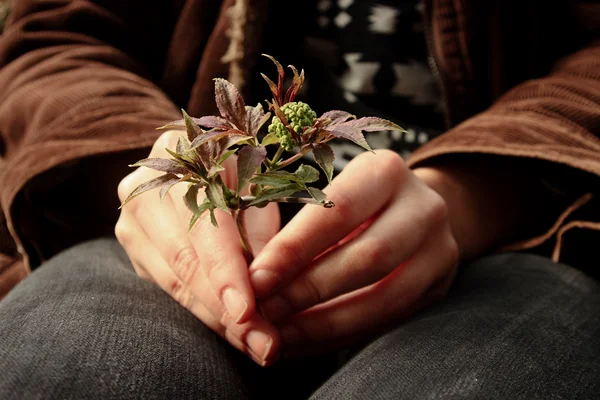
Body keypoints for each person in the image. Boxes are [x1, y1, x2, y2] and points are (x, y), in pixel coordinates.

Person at [0, 0, 598, 399]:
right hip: (169, 232)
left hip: (519, 238)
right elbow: (53, 36)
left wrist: (469, 193)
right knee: (75, 366)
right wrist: (155, 166)